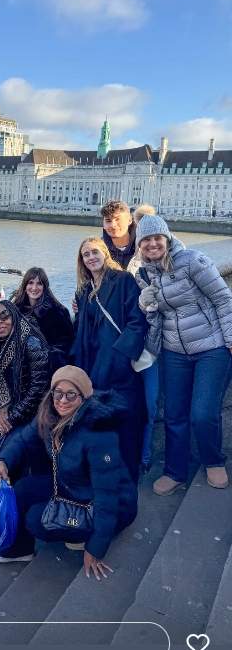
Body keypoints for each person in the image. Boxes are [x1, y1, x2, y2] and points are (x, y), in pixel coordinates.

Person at [0, 366, 137, 578]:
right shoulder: (51, 414)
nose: (62, 400)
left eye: (71, 394)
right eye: (58, 393)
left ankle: (81, 535)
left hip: (102, 504)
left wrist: (95, 549)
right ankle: (19, 550)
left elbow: (108, 497)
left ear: (84, 397)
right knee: (21, 489)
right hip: (70, 485)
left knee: (35, 519)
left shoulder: (99, 435)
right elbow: (23, 438)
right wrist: (4, 460)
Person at [135, 214, 232, 494]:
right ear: (140, 245)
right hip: (175, 351)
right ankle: (175, 471)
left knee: (202, 413)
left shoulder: (192, 260)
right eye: (146, 240)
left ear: (167, 239)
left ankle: (213, 461)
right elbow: (157, 320)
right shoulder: (144, 274)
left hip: (211, 347)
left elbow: (223, 299)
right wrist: (148, 308)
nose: (153, 244)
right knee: (175, 414)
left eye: (157, 238)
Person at [71, 238, 148, 482]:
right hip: (93, 365)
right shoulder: (84, 290)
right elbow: (83, 328)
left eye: (95, 252)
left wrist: (121, 355)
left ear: (105, 253)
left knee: (125, 422)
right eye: (85, 255)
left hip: (118, 365)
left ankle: (128, 474)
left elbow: (137, 321)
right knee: (100, 422)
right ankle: (104, 472)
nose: (91, 257)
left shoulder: (123, 280)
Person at [0, 300, 50, 440]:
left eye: (4, 316)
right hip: (5, 411)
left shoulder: (31, 343)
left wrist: (11, 417)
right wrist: (0, 408)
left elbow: (37, 389)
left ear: (14, 317)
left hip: (30, 415)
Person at [126, 204, 160, 472]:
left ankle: (145, 457)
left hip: (156, 351)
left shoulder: (170, 259)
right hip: (135, 348)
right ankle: (130, 455)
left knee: (150, 407)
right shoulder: (133, 265)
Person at [11, 267, 74, 370]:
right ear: (25, 286)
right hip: (21, 362)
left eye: (39, 283)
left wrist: (45, 355)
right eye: (30, 283)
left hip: (49, 364)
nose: (34, 288)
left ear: (44, 287)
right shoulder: (16, 310)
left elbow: (66, 342)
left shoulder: (58, 311)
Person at [101, 200, 137, 270]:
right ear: (103, 223)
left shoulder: (142, 248)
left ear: (129, 220)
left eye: (118, 219)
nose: (113, 225)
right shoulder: (98, 249)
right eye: (108, 220)